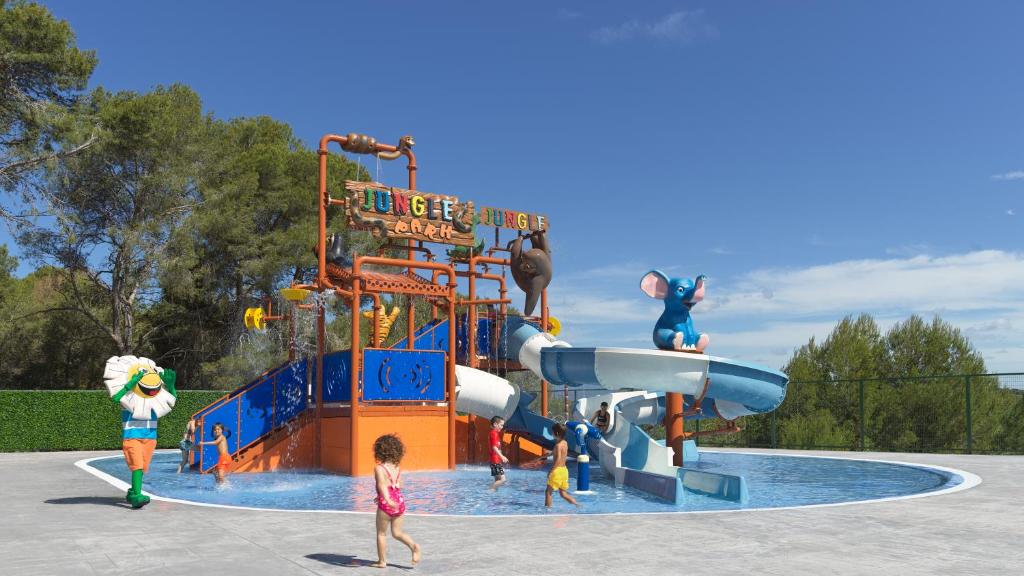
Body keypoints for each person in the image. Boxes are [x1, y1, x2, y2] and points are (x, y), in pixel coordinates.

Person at [371, 434, 421, 569]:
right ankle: (414, 546)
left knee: (381, 533)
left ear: (379, 451)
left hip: (387, 503)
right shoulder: (397, 467)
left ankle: (382, 562)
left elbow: (382, 485)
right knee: (397, 533)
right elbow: (397, 485)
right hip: (399, 501)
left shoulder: (379, 468)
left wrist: (386, 498)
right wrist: (387, 496)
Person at [545, 423, 578, 508]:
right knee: (563, 493)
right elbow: (559, 453)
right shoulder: (565, 443)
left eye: (552, 432)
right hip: (564, 471)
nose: (551, 434)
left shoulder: (557, 446)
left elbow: (558, 458)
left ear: (556, 434)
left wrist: (551, 471)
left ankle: (547, 510)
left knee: (548, 492)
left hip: (557, 471)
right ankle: (577, 505)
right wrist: (548, 455)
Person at [488, 416, 509, 490]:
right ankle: (489, 491)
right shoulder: (494, 433)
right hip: (495, 461)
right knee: (503, 479)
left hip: (494, 460)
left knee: (497, 480)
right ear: (495, 424)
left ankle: (493, 495)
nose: (502, 427)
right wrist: (502, 456)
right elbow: (494, 447)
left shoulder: (494, 433)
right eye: (501, 425)